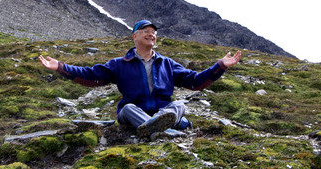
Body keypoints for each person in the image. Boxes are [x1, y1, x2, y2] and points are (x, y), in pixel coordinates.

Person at [39, 19, 241, 140]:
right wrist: (61, 67)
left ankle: (155, 129)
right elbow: (92, 76)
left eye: (153, 33)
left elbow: (195, 82)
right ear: (134, 36)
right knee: (126, 109)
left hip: (163, 111)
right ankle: (162, 129)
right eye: (146, 32)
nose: (151, 35)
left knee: (178, 105)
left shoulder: (167, 63)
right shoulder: (119, 64)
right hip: (134, 114)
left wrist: (220, 65)